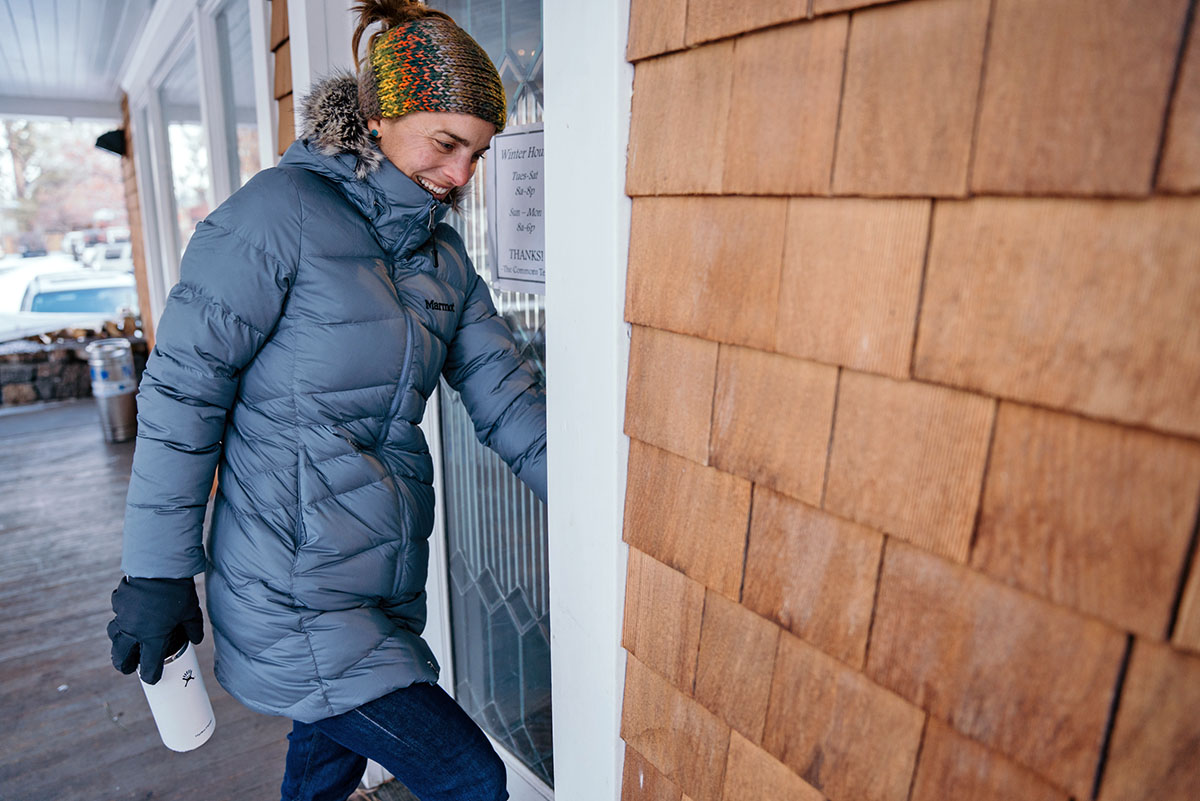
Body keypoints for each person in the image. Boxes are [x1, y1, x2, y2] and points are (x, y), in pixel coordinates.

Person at [104, 2, 545, 799]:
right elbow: (181, 394)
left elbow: (509, 398)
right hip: (291, 588)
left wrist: (610, 500)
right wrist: (156, 571)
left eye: (477, 155)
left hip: (379, 582)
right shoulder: (276, 216)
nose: (460, 177)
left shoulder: (441, 259)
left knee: (324, 757)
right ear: (378, 118)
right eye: (446, 145)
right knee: (469, 777)